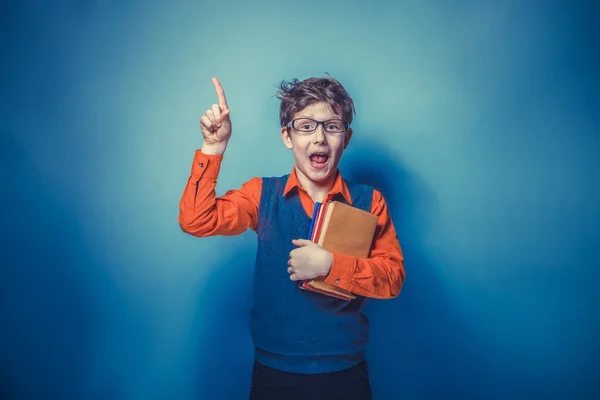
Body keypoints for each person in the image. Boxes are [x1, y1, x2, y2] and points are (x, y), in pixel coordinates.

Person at [178, 76, 405, 399]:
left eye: (332, 126)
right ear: (287, 136)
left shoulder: (370, 202)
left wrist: (330, 265)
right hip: (275, 374)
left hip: (345, 374)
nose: (320, 139)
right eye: (306, 126)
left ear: (347, 137)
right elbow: (196, 221)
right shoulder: (261, 195)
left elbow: (393, 277)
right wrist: (213, 149)